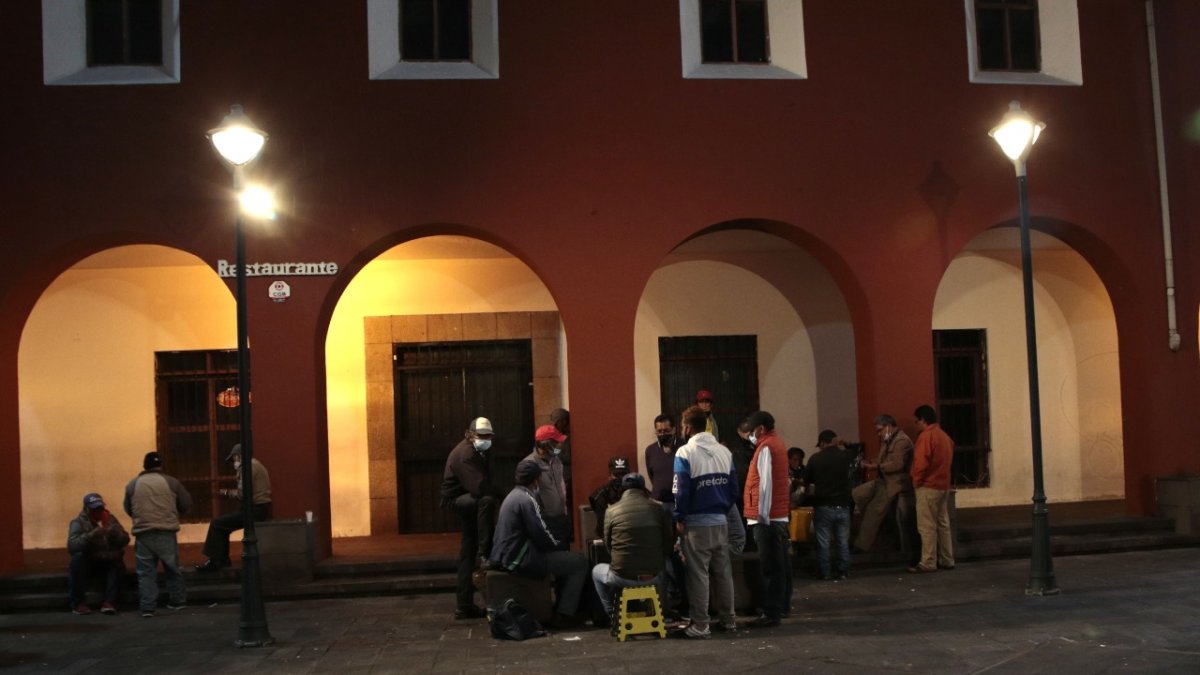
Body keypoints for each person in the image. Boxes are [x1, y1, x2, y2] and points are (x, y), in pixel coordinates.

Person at [490, 459, 589, 627]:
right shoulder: (527, 500)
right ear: (536, 480)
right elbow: (541, 534)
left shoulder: (512, 496)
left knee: (565, 559)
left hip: (507, 556)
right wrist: (559, 547)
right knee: (579, 563)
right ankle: (564, 615)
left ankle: (562, 606)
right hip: (520, 558)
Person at [672, 405, 739, 639]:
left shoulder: (684, 453)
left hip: (697, 524)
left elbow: (680, 489)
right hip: (721, 521)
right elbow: (733, 490)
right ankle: (729, 620)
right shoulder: (725, 452)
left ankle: (701, 624)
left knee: (698, 574)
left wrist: (679, 516)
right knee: (723, 572)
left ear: (688, 428)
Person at [590, 473, 673, 618]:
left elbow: (608, 545)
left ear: (623, 489)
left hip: (621, 576)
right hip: (652, 576)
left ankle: (612, 613)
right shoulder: (658, 509)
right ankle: (660, 611)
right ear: (643, 488)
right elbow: (668, 545)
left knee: (597, 571)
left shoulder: (611, 511)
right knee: (664, 566)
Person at [440, 416, 498, 620]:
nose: (486, 439)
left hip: (470, 498)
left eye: (488, 436)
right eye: (482, 436)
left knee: (467, 551)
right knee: (487, 502)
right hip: (457, 499)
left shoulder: (481, 450)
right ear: (471, 435)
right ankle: (485, 549)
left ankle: (464, 604)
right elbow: (480, 488)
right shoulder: (465, 454)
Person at [123, 452, 191, 618]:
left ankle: (148, 607)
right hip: (166, 532)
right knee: (172, 569)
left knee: (145, 573)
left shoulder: (133, 484)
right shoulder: (172, 482)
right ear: (161, 465)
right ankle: (177, 601)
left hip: (143, 533)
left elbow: (128, 508)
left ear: (144, 466)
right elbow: (186, 503)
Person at [742, 410, 792, 628]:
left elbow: (764, 486)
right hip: (777, 516)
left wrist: (762, 517)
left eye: (752, 431)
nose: (750, 436)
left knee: (771, 568)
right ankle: (782, 607)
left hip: (767, 519)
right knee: (781, 566)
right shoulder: (777, 443)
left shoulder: (766, 448)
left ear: (760, 429)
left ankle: (772, 612)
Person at [195, 444, 272, 573]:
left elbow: (242, 493)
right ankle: (222, 559)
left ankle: (215, 561)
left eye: (234, 459)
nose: (234, 463)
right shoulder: (257, 464)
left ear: (238, 456)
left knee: (217, 523)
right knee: (223, 526)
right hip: (260, 508)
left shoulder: (247, 467)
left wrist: (227, 493)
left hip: (254, 509)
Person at [854, 414, 917, 556]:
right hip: (883, 479)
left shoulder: (902, 441)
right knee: (857, 494)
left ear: (888, 426)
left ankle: (861, 545)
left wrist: (877, 466)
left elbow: (897, 464)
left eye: (880, 430)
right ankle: (880, 525)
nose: (878, 433)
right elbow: (882, 459)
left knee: (874, 510)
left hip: (895, 482)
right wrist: (870, 462)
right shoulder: (887, 440)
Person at [909, 405, 956, 573]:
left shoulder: (926, 437)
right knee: (943, 524)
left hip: (928, 486)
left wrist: (916, 481)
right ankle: (947, 559)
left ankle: (928, 562)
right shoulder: (944, 436)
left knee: (926, 526)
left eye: (916, 422)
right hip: (943, 486)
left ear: (923, 420)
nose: (916, 425)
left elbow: (921, 463)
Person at [67, 492, 130, 615]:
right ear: (86, 509)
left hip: (107, 557)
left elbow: (125, 540)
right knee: (76, 561)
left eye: (100, 508)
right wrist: (91, 535)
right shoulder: (78, 523)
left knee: (117, 563)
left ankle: (110, 602)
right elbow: (72, 546)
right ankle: (78, 603)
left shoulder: (111, 519)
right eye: (94, 509)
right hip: (89, 559)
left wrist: (114, 533)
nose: (98, 512)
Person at [804, 430, 855, 580]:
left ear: (822, 443)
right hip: (843, 505)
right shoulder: (845, 456)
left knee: (823, 541)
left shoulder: (815, 459)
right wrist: (843, 442)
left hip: (823, 505)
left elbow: (807, 480)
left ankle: (824, 572)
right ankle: (843, 571)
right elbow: (855, 450)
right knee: (842, 541)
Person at [525, 424, 571, 545]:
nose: (559, 446)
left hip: (561, 518)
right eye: (556, 443)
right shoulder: (530, 464)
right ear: (546, 444)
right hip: (545, 522)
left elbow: (561, 486)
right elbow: (529, 497)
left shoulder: (556, 461)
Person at [588, 456, 630, 538]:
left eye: (623, 474)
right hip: (609, 537)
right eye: (616, 474)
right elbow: (602, 525)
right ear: (610, 476)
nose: (620, 477)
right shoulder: (600, 495)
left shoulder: (636, 491)